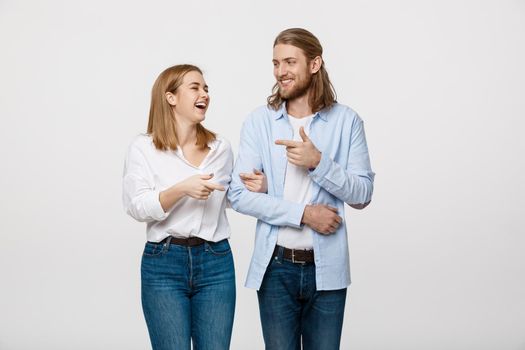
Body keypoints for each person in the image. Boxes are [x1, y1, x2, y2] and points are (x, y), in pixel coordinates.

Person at [228, 28, 375, 349]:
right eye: (276, 63)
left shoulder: (347, 122)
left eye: (289, 62)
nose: (281, 71)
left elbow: (363, 194)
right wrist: (305, 214)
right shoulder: (259, 122)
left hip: (329, 269)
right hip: (276, 268)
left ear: (314, 64)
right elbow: (238, 194)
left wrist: (318, 162)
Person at [122, 64, 264, 350]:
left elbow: (231, 197)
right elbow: (136, 206)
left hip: (215, 262)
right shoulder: (144, 148)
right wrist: (181, 189)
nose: (205, 94)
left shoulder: (220, 148)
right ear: (170, 97)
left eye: (206, 88)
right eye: (195, 87)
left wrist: (262, 187)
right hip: (163, 263)